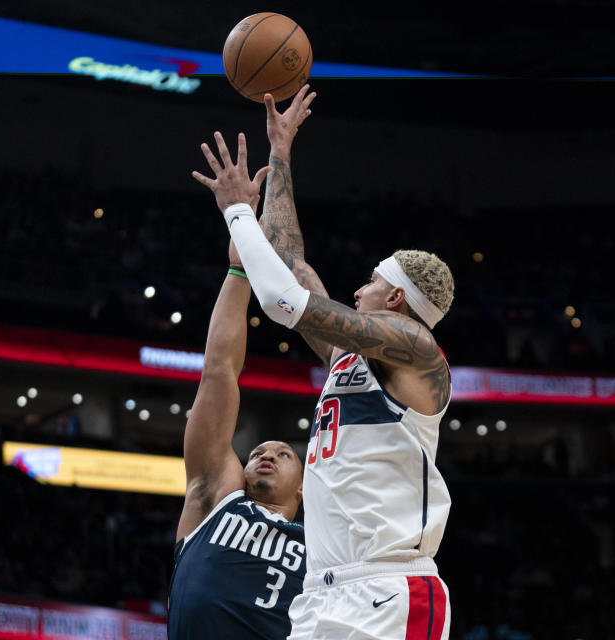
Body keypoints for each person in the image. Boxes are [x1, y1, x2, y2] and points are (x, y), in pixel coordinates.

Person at [192, 88, 454, 639]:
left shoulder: (415, 349)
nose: (358, 292)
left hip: (390, 590)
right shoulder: (350, 358)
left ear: (397, 299)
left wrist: (237, 211)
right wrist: (280, 151)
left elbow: (284, 300)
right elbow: (290, 264)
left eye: (371, 282)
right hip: (321, 592)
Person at [167, 167, 308, 637]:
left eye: (283, 453)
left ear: (305, 490)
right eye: (258, 453)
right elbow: (219, 372)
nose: (266, 453)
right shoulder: (214, 497)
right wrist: (239, 267)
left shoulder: (324, 548)